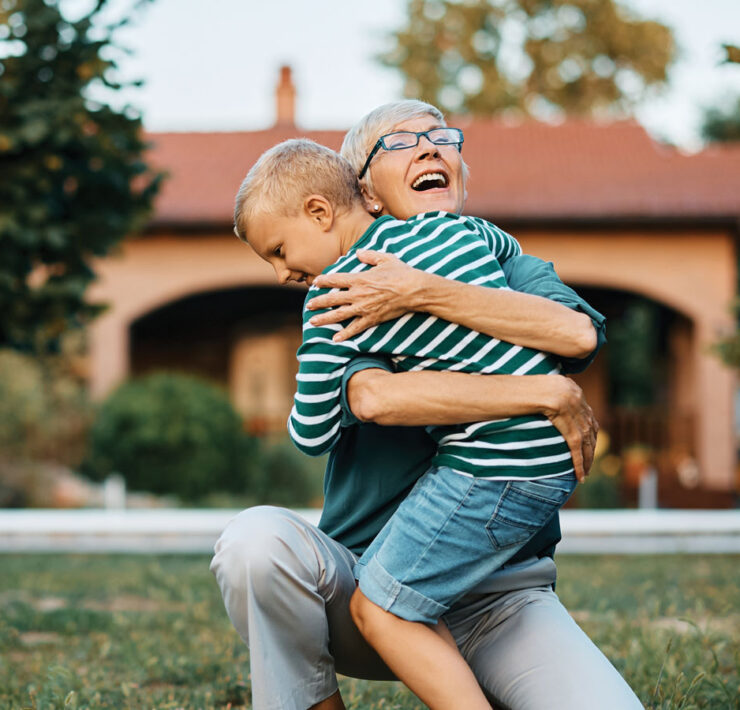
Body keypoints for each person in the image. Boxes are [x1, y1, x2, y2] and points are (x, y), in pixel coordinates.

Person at [211, 100, 643, 710]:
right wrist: (543, 391)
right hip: (368, 585)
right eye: (401, 142)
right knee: (256, 542)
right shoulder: (354, 288)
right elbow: (372, 396)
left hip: (501, 596)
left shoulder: (499, 255)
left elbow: (576, 334)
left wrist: (424, 290)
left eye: (443, 137)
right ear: (366, 192)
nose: (431, 148)